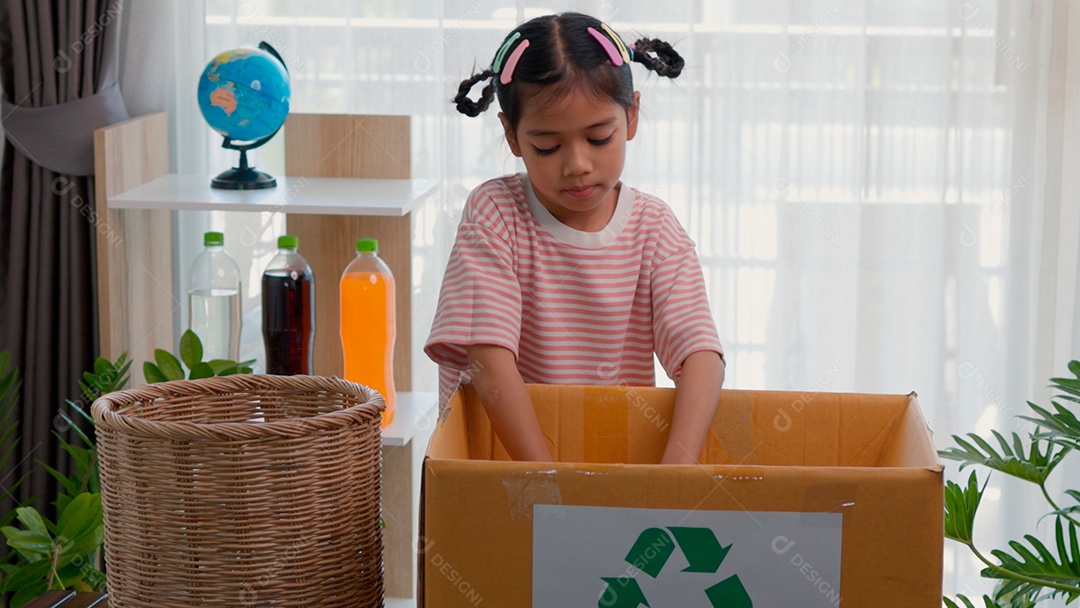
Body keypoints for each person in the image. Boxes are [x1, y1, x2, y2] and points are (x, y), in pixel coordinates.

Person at [425, 12, 725, 464]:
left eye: (599, 138)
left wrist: (675, 473)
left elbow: (700, 354)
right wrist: (546, 482)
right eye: (547, 147)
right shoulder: (495, 214)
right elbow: (488, 359)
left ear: (632, 116)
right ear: (512, 136)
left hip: (614, 470)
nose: (577, 165)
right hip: (501, 473)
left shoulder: (654, 228)